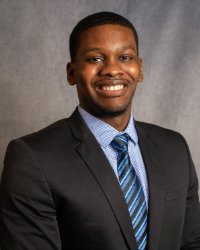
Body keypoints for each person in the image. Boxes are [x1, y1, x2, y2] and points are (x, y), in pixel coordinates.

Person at [0, 11, 200, 250]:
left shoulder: (174, 147)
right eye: (95, 59)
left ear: (140, 68)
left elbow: (191, 242)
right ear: (72, 73)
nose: (113, 70)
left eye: (125, 57)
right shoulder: (32, 159)